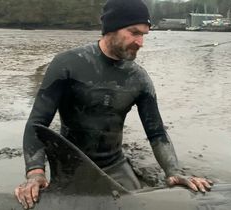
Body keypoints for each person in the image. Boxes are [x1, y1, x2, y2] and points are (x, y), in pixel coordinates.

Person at [14, 0, 212, 208]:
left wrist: (174, 172)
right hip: (71, 164)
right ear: (111, 29)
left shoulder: (139, 79)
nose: (140, 42)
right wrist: (35, 172)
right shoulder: (67, 64)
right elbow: (38, 122)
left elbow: (156, 133)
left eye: (144, 34)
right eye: (134, 32)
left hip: (115, 164)